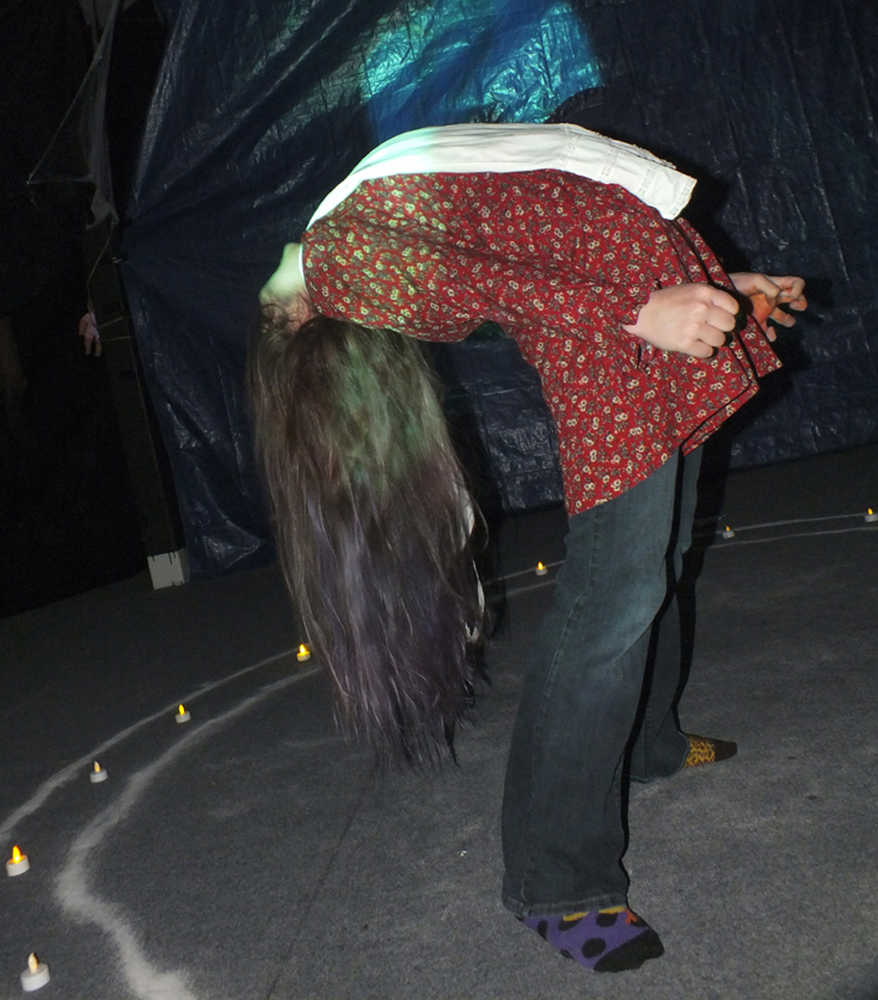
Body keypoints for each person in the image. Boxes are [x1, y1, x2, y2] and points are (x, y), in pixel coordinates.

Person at [249, 122, 807, 974]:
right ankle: (556, 880)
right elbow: (500, 281)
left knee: (656, 563)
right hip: (610, 343)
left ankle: (649, 742)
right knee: (614, 596)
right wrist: (640, 308)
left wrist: (703, 283)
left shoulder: (363, 215)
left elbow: (547, 224)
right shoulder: (335, 262)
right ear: (306, 338)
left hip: (629, 309)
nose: (262, 281)